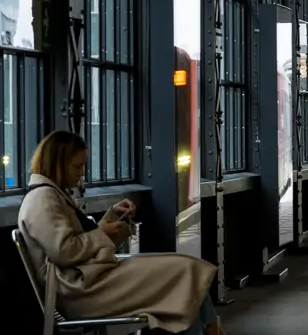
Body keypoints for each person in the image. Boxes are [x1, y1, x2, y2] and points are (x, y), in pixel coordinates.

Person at [18, 130, 223, 335]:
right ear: (58, 164)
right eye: (77, 166)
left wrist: (112, 218)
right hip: (83, 291)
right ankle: (213, 329)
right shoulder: (42, 199)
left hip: (88, 283)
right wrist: (102, 232)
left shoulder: (50, 195)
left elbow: (74, 242)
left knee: (184, 275)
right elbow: (65, 251)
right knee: (183, 272)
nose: (81, 173)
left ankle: (212, 329)